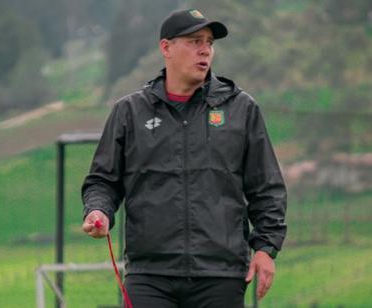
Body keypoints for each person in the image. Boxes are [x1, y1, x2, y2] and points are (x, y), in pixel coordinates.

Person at [82, 8, 287, 308]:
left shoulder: (241, 108)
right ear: (166, 48)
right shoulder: (129, 112)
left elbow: (266, 187)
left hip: (221, 274)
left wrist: (265, 248)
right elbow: (102, 181)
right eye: (194, 41)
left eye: (209, 42)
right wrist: (97, 211)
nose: (205, 49)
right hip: (149, 274)